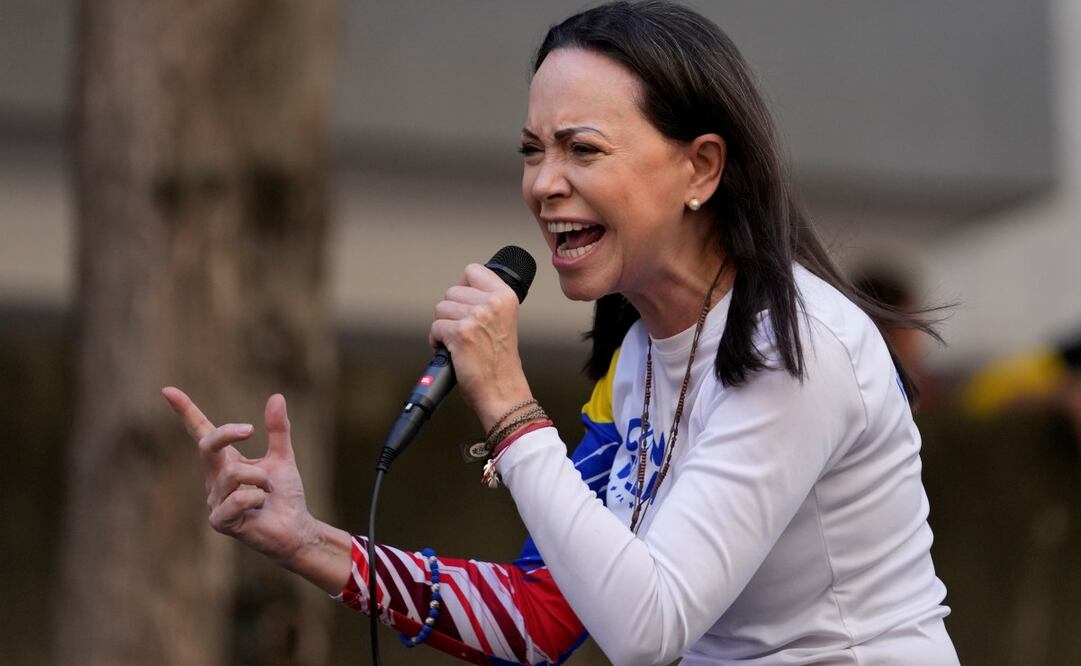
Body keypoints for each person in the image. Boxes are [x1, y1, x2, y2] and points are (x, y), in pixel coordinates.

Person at [163, 2, 959, 663]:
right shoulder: (639, 356)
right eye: (533, 150)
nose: (543, 183)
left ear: (702, 168)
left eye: (583, 148)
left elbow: (645, 629)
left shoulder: (796, 347)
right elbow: (544, 617)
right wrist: (308, 543)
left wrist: (509, 404)